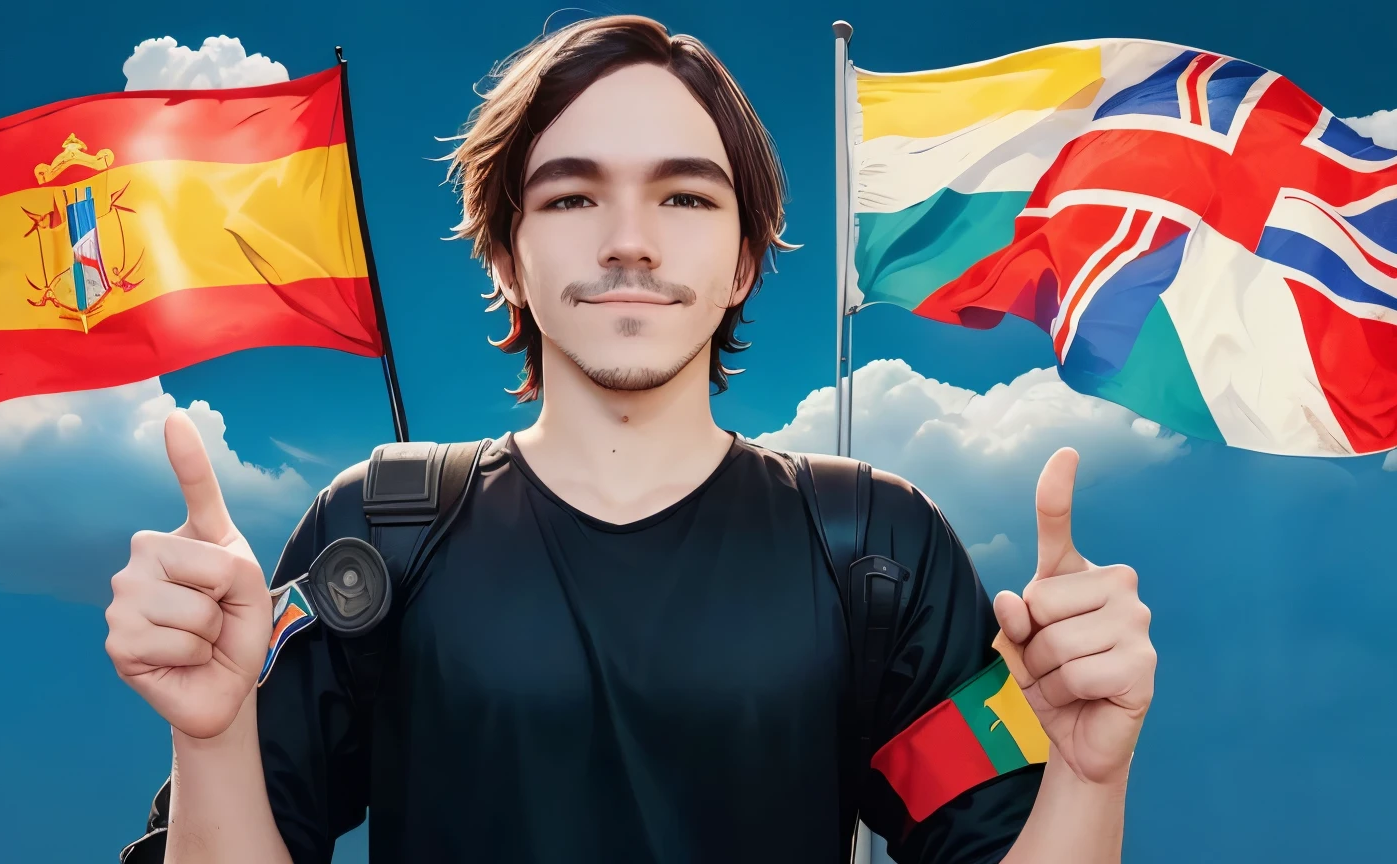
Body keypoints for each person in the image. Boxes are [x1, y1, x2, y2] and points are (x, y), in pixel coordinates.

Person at [107, 14, 1156, 864]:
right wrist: (210, 734)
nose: (629, 241)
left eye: (685, 195)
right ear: (507, 254)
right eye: (571, 195)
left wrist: (1089, 778)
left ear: (745, 260)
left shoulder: (878, 551)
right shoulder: (377, 535)